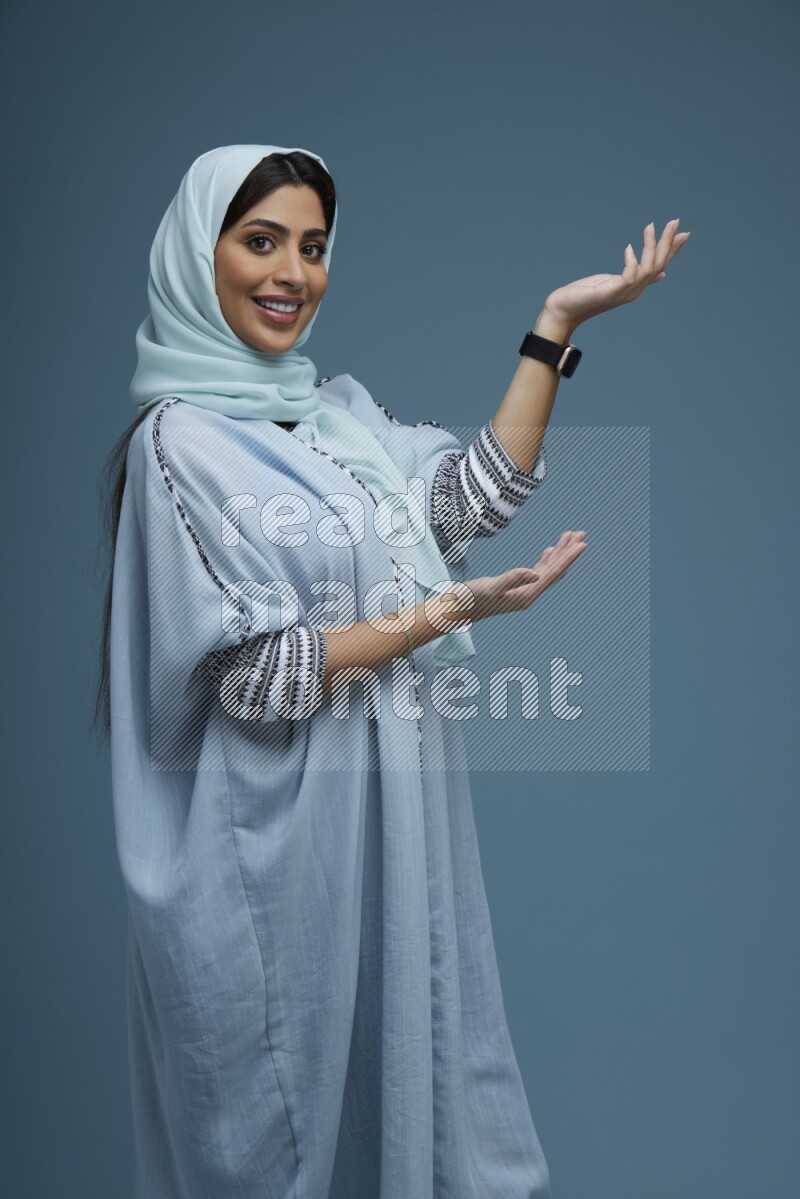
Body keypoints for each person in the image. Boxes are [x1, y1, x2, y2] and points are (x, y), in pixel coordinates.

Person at [94, 143, 689, 1198]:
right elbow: (259, 676)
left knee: (412, 1108)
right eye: (259, 240)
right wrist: (444, 610)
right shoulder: (180, 444)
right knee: (283, 1147)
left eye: (312, 246)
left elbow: (468, 500)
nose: (291, 272)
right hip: (274, 862)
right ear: (199, 255)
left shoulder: (335, 422)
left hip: (390, 836)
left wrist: (553, 326)